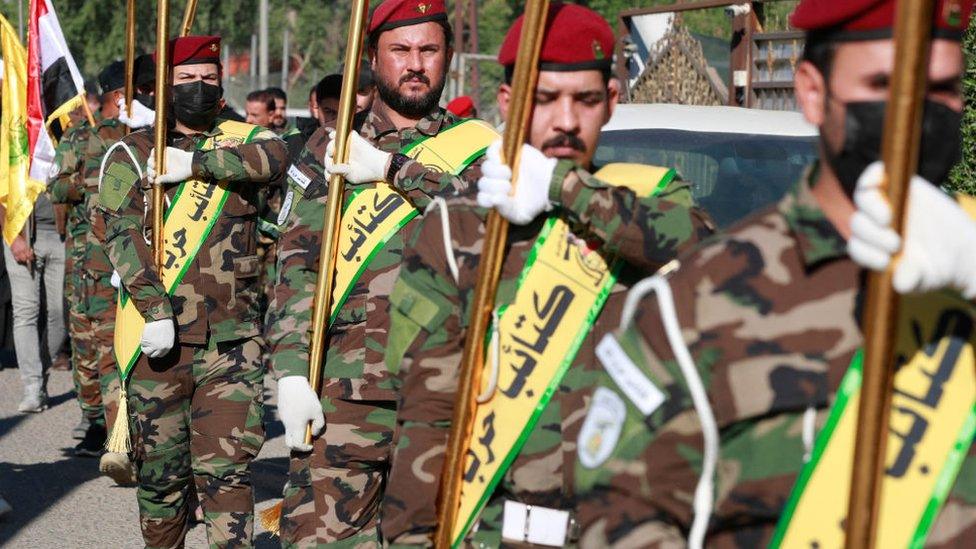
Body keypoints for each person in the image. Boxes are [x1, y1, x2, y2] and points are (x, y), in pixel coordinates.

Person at [571, 0, 976, 547]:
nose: (917, 113)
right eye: (884, 84)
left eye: (943, 88)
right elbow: (617, 511)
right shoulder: (699, 297)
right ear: (812, 92)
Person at [379, 4, 715, 545]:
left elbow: (705, 254)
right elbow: (426, 409)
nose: (564, 120)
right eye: (545, 100)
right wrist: (411, 537)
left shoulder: (650, 200)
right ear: (510, 104)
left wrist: (564, 188)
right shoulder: (458, 224)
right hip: (496, 526)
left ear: (610, 103)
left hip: (629, 525)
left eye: (584, 100)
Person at [266, 0, 497, 545]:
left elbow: (491, 231)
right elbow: (297, 265)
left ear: (447, 57)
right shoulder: (328, 148)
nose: (415, 64)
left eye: (428, 50)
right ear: (374, 57)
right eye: (400, 50)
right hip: (343, 393)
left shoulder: (482, 150)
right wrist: (292, 371)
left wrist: (396, 172)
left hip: (447, 396)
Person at [98, 35, 288, 548]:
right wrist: (156, 309)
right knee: (162, 484)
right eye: (187, 80)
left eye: (209, 79)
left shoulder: (244, 142)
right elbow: (119, 233)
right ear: (162, 87)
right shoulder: (132, 154)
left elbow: (278, 155)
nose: (199, 89)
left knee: (227, 477)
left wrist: (198, 166)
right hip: (157, 345)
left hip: (232, 343)